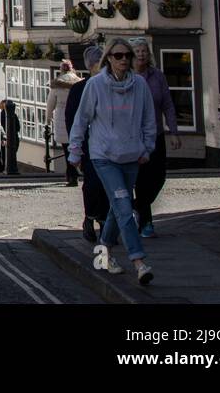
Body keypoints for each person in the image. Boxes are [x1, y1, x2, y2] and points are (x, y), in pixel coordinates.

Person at [68, 37, 156, 286]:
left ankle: (103, 251)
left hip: (131, 156)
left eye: (127, 55)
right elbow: (81, 121)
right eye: (118, 56)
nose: (124, 60)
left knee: (119, 210)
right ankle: (139, 261)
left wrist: (147, 148)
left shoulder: (139, 85)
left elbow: (149, 120)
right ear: (108, 58)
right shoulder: (95, 85)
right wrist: (75, 152)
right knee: (124, 207)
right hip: (104, 156)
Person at [131, 38, 180, 238]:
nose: (141, 54)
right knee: (142, 179)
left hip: (157, 134)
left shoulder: (157, 76)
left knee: (159, 177)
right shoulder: (126, 77)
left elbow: (167, 104)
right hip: (134, 136)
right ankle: (146, 224)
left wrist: (174, 131)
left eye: (144, 50)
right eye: (137, 51)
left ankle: (135, 206)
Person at [66, 45, 110, 243]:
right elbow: (72, 120)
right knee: (92, 184)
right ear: (91, 66)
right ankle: (90, 218)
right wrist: (77, 149)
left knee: (108, 184)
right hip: (89, 146)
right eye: (100, 64)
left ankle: (104, 220)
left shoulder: (113, 85)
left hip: (111, 146)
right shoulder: (79, 89)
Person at [46, 60, 82, 186]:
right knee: (78, 146)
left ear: (61, 69)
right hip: (77, 116)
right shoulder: (79, 81)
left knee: (67, 149)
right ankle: (77, 173)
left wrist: (48, 118)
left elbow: (51, 103)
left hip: (62, 116)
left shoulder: (56, 85)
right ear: (72, 69)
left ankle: (72, 176)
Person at [0, 99, 21, 174]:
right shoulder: (13, 115)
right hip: (13, 139)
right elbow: (18, 127)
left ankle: (4, 170)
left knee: (3, 155)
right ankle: (10, 168)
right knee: (11, 154)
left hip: (4, 139)